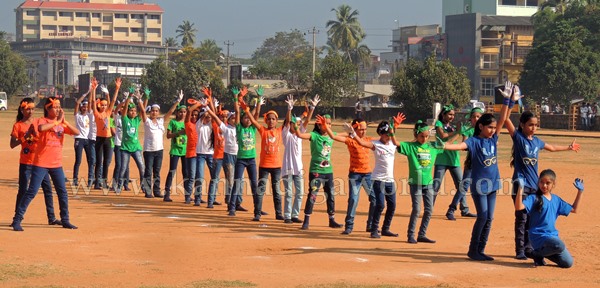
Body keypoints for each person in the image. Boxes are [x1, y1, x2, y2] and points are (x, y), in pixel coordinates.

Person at [501, 83, 580, 260]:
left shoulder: (536, 141)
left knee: (532, 219)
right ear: (522, 125)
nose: (534, 128)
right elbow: (506, 120)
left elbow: (551, 147)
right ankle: (520, 250)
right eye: (530, 125)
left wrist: (568, 147)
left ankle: (530, 248)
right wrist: (509, 101)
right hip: (520, 185)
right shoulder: (519, 138)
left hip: (534, 187)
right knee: (521, 218)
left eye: (536, 125)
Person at [440, 83, 510, 260]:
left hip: (493, 184)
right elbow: (459, 146)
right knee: (482, 216)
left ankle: (481, 249)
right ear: (481, 127)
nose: (493, 130)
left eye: (494, 128)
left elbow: (503, 119)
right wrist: (443, 146)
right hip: (480, 186)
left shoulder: (493, 139)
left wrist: (507, 100)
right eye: (490, 128)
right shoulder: (474, 141)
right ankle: (473, 250)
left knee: (489, 218)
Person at [11, 97, 80, 231]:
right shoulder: (41, 121)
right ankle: (17, 220)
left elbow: (77, 132)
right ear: (48, 109)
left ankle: (65, 219)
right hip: (41, 163)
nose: (58, 109)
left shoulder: (60, 123)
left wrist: (64, 122)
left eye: (59, 106)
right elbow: (42, 128)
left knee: (62, 192)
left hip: (56, 164)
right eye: (55, 107)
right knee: (31, 191)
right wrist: (57, 122)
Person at [514, 170, 583, 268]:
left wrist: (580, 191)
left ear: (553, 184)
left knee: (567, 263)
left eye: (548, 183)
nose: (544, 185)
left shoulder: (556, 200)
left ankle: (539, 255)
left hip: (552, 238)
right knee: (559, 245)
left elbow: (574, 209)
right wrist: (520, 189)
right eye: (542, 182)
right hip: (538, 237)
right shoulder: (534, 198)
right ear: (538, 182)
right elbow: (518, 207)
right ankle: (536, 254)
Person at [351, 114, 405, 238]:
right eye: (386, 134)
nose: (388, 136)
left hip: (390, 180)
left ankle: (386, 228)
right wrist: (353, 134)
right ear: (381, 134)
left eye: (389, 134)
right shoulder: (375, 144)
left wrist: (396, 125)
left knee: (392, 206)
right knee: (380, 205)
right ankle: (374, 229)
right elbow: (361, 143)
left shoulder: (393, 143)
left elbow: (401, 139)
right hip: (378, 180)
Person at [10, 97, 60, 227]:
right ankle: (17, 217)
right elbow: (12, 144)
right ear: (22, 110)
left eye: (32, 109)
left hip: (40, 162)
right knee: (23, 190)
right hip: (26, 162)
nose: (31, 111)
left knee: (48, 189)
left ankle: (52, 217)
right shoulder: (18, 125)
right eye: (28, 109)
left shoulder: (38, 122)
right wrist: (25, 137)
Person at [322, 117, 376, 235]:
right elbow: (334, 137)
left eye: (365, 129)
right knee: (353, 199)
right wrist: (325, 126)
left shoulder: (368, 140)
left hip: (367, 175)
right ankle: (349, 226)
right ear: (355, 129)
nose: (364, 131)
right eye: (361, 129)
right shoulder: (350, 141)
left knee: (374, 199)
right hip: (355, 175)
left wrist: (394, 127)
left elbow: (384, 138)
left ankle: (371, 225)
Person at [397, 121, 444, 244]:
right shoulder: (410, 147)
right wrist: (392, 132)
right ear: (415, 135)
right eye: (421, 136)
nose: (424, 139)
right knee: (417, 210)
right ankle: (410, 235)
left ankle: (422, 234)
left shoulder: (432, 147)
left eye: (427, 136)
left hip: (428, 183)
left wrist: (454, 133)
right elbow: (395, 143)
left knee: (429, 210)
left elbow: (445, 143)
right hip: (415, 183)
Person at [294, 114, 343, 230]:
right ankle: (306, 220)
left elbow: (348, 135)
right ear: (319, 125)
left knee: (330, 195)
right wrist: (295, 126)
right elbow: (300, 135)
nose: (327, 125)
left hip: (328, 171)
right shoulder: (314, 135)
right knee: (313, 195)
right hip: (316, 170)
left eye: (330, 123)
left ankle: (332, 219)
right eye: (324, 123)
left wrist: (353, 130)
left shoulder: (332, 136)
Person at [243, 89, 285, 221]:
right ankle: (257, 213)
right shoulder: (263, 130)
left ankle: (279, 214)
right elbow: (253, 121)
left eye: (273, 119)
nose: (271, 121)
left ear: (276, 121)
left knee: (277, 191)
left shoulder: (279, 131)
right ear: (266, 120)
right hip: (264, 166)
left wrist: (289, 109)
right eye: (269, 119)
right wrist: (248, 110)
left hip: (277, 166)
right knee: (260, 190)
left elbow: (288, 122)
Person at [433, 104, 476, 220]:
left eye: (453, 115)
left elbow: (456, 141)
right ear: (443, 114)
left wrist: (461, 131)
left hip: (454, 159)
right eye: (450, 114)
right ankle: (429, 208)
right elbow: (443, 136)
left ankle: (464, 209)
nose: (452, 117)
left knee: (461, 185)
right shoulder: (439, 124)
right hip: (441, 158)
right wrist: (458, 131)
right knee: (436, 185)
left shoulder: (452, 126)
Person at [281, 95, 317, 224]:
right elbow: (286, 123)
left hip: (298, 169)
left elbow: (306, 121)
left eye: (298, 124)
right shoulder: (286, 135)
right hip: (287, 169)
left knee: (300, 193)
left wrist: (312, 107)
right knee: (289, 193)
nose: (297, 125)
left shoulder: (300, 135)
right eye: (294, 124)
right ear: (290, 125)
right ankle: (287, 216)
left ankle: (295, 215)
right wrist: (289, 109)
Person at [228, 86, 259, 216]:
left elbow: (256, 115)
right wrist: (236, 98)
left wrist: (259, 99)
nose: (247, 119)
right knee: (237, 182)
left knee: (254, 185)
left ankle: (258, 208)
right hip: (241, 159)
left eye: (248, 118)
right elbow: (237, 110)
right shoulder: (239, 128)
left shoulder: (253, 129)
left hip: (251, 160)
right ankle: (232, 207)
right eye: (245, 118)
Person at [90, 78, 120, 189]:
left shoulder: (108, 112)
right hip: (99, 139)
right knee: (99, 161)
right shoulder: (97, 114)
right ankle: (97, 182)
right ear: (99, 106)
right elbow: (93, 103)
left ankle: (104, 181)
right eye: (102, 105)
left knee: (106, 162)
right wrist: (93, 89)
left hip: (108, 139)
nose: (104, 106)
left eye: (105, 105)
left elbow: (112, 102)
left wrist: (117, 88)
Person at [116, 91, 146, 196]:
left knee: (142, 168)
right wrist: (129, 97)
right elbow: (124, 110)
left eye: (134, 111)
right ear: (128, 112)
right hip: (125, 148)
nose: (133, 112)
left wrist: (141, 100)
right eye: (131, 111)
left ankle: (143, 187)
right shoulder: (124, 119)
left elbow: (143, 111)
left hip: (136, 148)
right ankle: (119, 186)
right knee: (123, 168)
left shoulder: (137, 120)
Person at [163, 92, 186, 202]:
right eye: (181, 112)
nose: (183, 114)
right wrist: (179, 133)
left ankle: (187, 194)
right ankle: (167, 193)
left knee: (186, 172)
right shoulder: (173, 122)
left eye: (184, 112)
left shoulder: (188, 122)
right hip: (175, 150)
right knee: (172, 171)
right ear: (177, 113)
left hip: (185, 151)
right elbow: (168, 135)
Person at [72, 88, 95, 187]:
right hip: (79, 139)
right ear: (81, 108)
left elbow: (91, 103)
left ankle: (91, 179)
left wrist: (92, 91)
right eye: (83, 106)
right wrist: (86, 93)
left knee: (90, 160)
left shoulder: (89, 116)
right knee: (78, 160)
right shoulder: (78, 116)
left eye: (86, 106)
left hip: (88, 140)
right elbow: (77, 103)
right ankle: (75, 179)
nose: (85, 108)